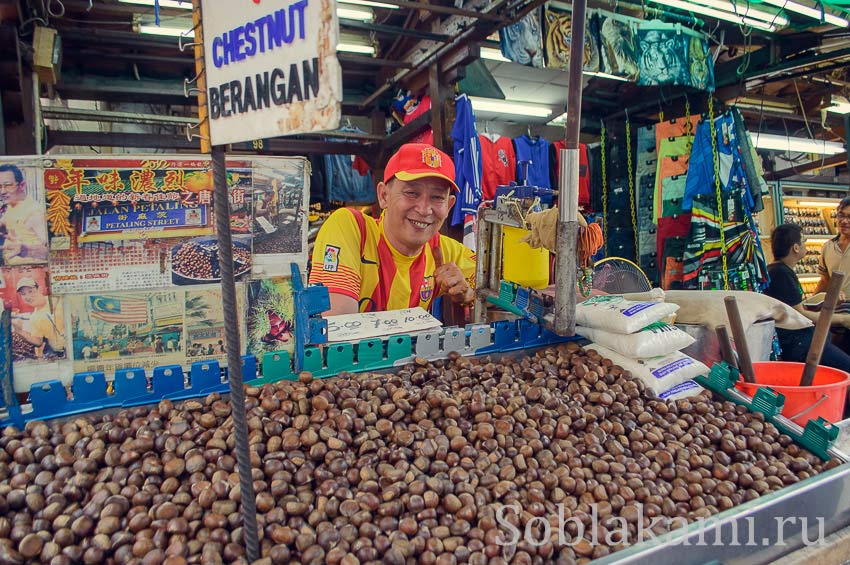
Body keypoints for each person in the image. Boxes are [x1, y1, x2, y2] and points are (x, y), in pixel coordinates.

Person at [308, 143, 476, 316]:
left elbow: (500, 294)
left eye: (437, 197)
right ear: (383, 196)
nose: (425, 209)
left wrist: (469, 295)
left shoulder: (443, 250)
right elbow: (336, 327)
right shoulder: (351, 227)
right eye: (412, 193)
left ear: (449, 207)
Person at [764, 223, 850, 373]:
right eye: (803, 241)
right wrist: (842, 319)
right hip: (800, 345)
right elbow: (800, 313)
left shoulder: (777, 270)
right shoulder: (782, 274)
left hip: (800, 341)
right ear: (795, 248)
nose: (806, 244)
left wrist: (824, 298)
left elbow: (794, 306)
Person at [0, 164, 49, 265]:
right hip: (12, 271)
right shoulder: (11, 205)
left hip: (32, 273)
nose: (2, 191)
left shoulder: (34, 212)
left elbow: (50, 251)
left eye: (8, 185)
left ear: (22, 185)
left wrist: (25, 250)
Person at [12, 277, 65, 359]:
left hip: (76, 340)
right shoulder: (34, 318)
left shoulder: (57, 299)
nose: (28, 296)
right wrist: (19, 331)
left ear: (39, 289)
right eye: (23, 294)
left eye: (30, 291)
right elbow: (38, 341)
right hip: (61, 353)